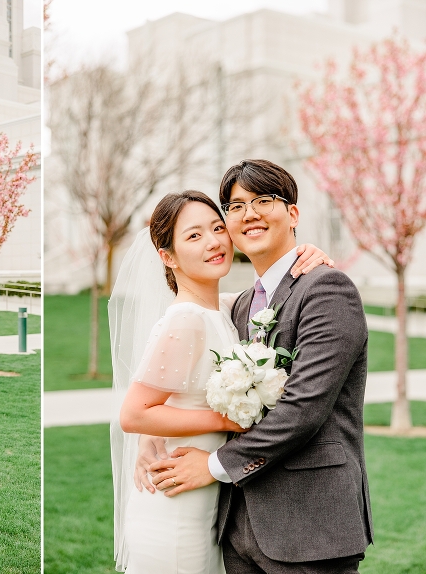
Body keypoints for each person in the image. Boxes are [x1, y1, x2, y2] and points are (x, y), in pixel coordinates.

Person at [141, 160, 373, 573]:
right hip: (237, 525)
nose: (249, 214)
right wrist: (150, 433)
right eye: (235, 206)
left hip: (308, 525)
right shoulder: (240, 305)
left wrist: (212, 466)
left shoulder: (327, 289)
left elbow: (304, 410)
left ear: (293, 214)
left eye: (264, 200)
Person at [111, 189, 331, 573]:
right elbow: (133, 414)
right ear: (168, 256)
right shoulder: (186, 320)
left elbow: (273, 290)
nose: (214, 242)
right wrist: (228, 421)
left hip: (207, 509)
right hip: (175, 507)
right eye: (194, 236)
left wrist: (306, 252)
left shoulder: (225, 308)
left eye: (217, 228)